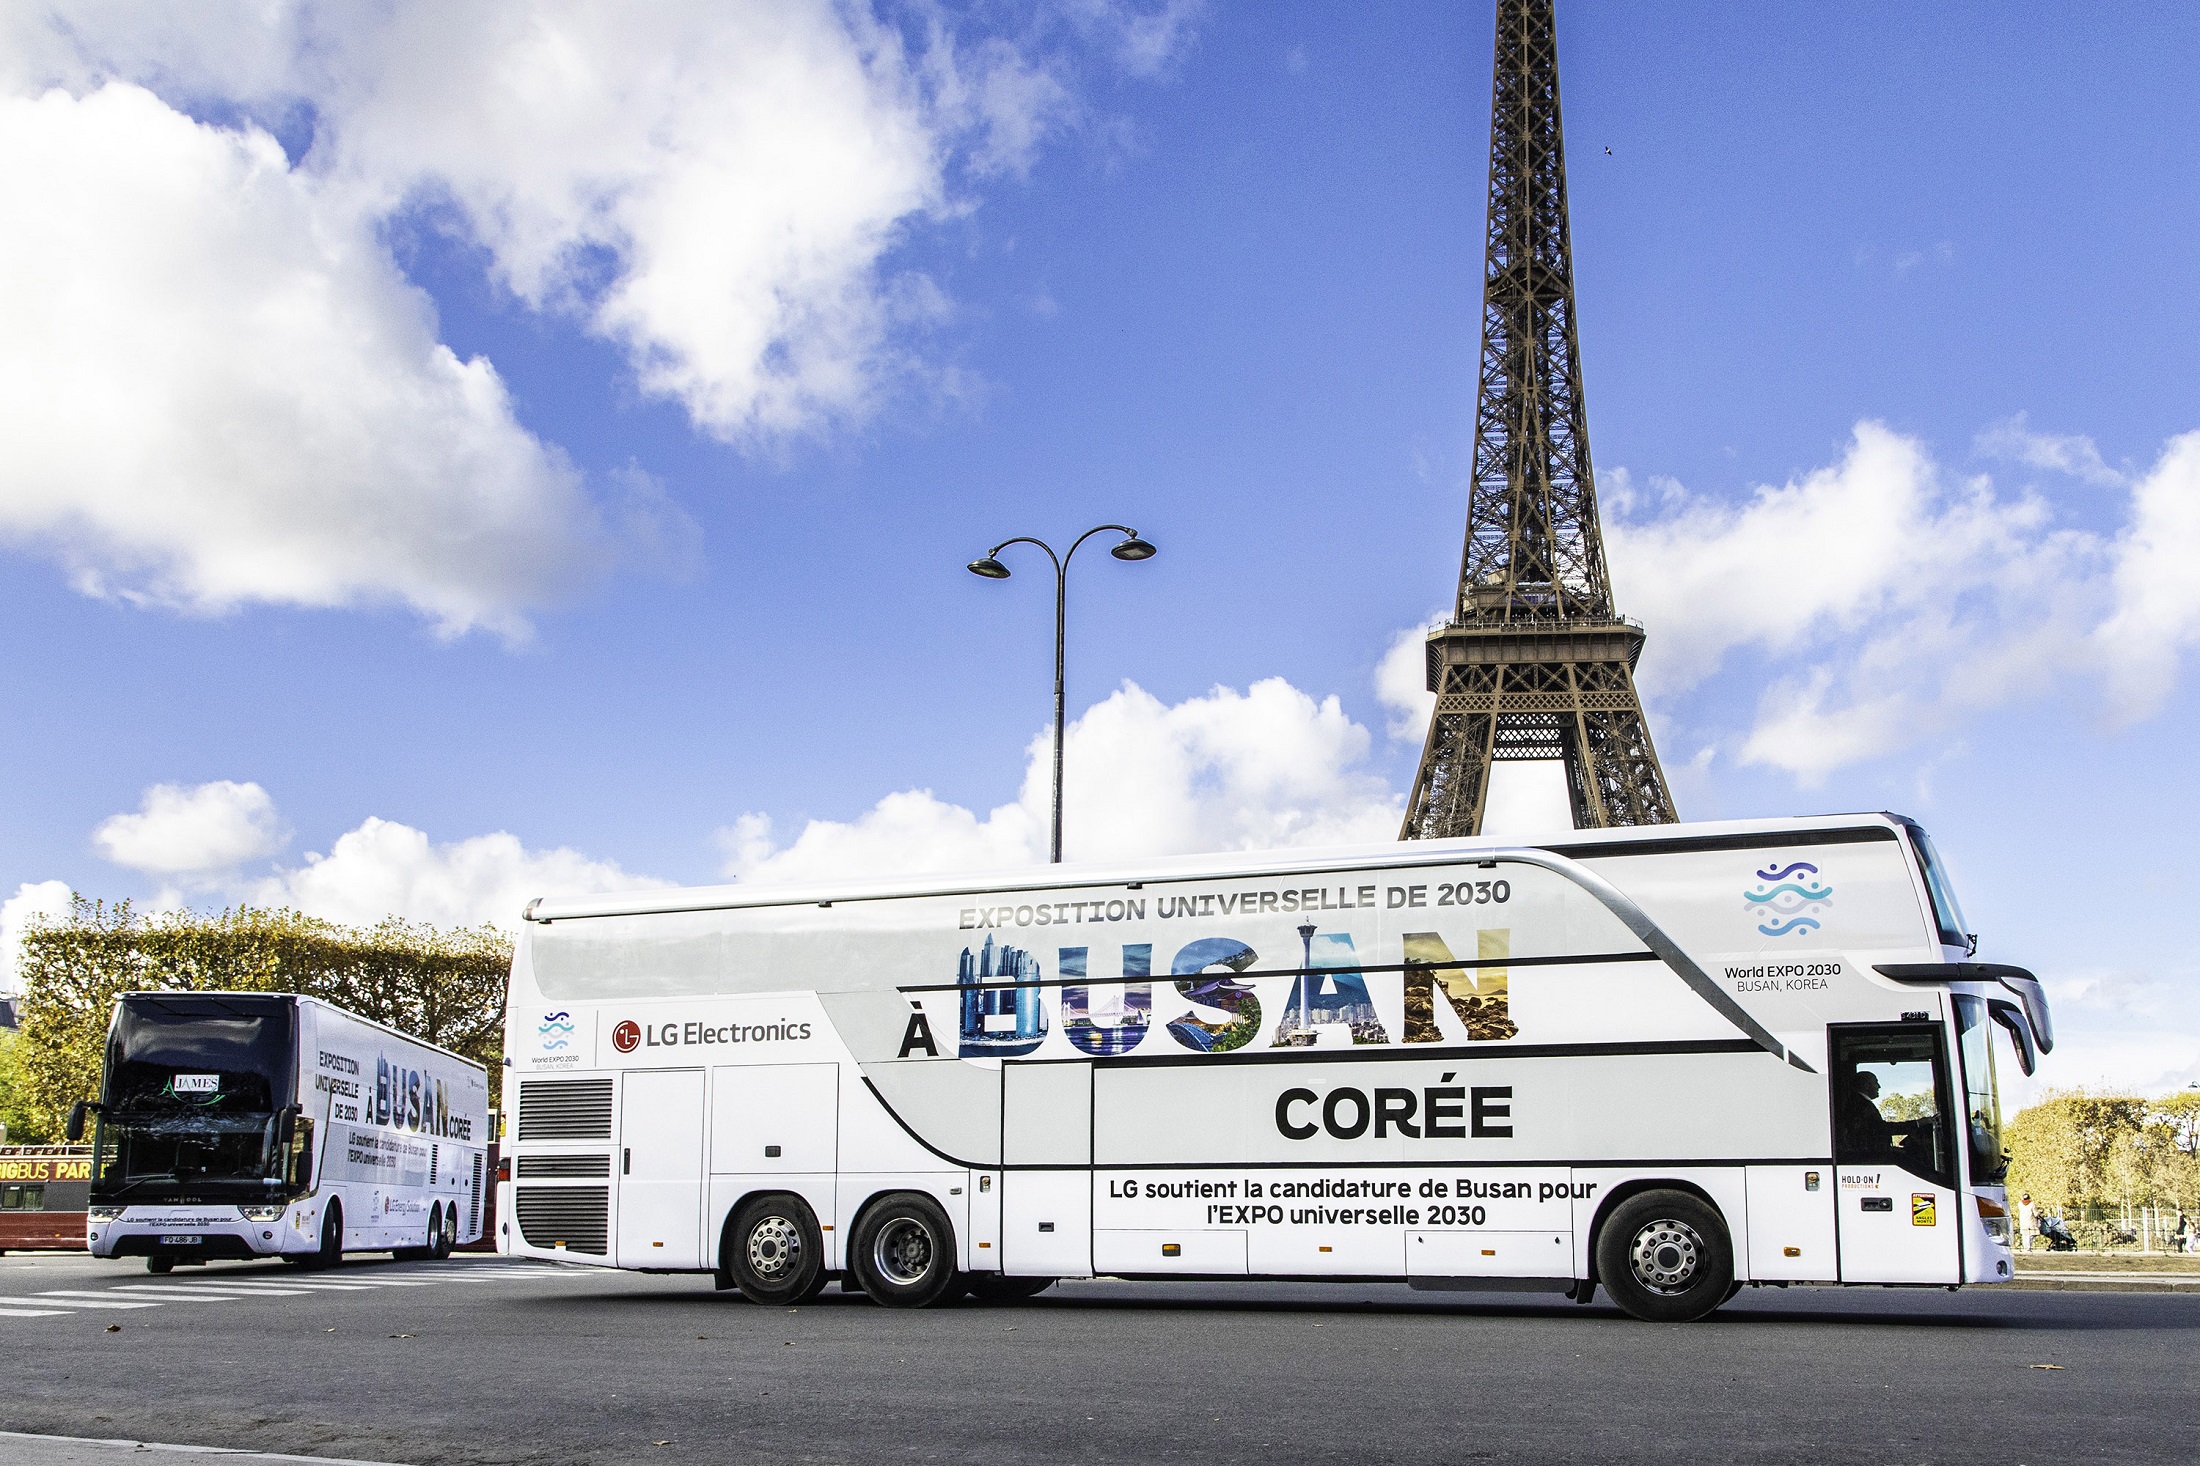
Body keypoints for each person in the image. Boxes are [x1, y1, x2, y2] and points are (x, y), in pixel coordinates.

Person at [1838, 1069, 1895, 1161]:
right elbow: (1878, 1128)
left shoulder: (1857, 1102)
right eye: (1876, 1083)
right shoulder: (1861, 1105)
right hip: (1868, 1156)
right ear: (1866, 1085)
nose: (1879, 1087)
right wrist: (1916, 1124)